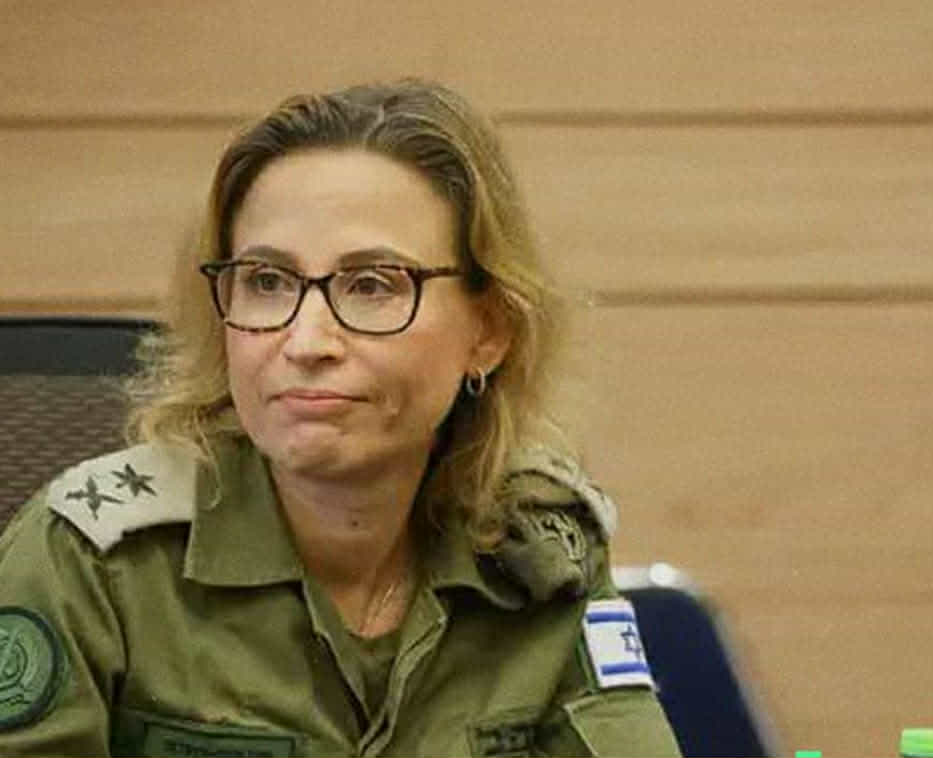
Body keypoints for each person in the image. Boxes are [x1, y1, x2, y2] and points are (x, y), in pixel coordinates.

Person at [0, 79, 680, 756]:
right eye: (267, 282)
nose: (306, 342)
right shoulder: (91, 564)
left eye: (372, 285)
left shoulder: (538, 550)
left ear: (489, 330)